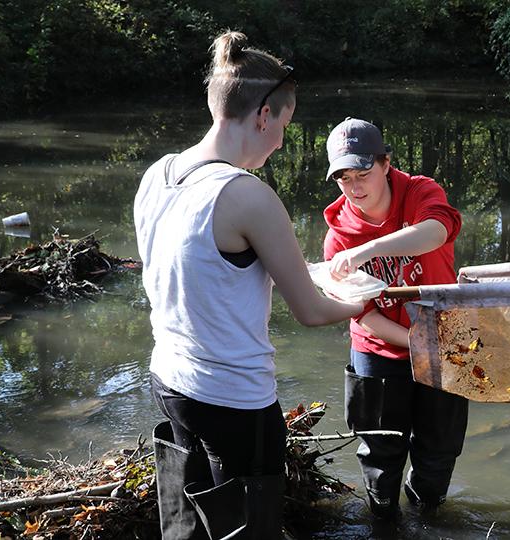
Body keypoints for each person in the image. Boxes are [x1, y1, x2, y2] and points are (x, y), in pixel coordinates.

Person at [133, 32, 364, 540]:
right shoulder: (247, 196)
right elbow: (310, 311)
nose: (281, 140)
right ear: (263, 115)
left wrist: (313, 271)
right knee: (249, 529)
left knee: (187, 521)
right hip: (234, 399)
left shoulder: (159, 174)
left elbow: (205, 270)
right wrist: (362, 301)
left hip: (170, 381)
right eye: (283, 124)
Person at [322, 117, 467, 519]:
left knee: (439, 447)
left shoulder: (421, 191)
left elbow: (436, 232)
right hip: (380, 351)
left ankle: (426, 515)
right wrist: (417, 342)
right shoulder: (337, 234)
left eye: (364, 174)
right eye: (343, 179)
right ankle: (384, 520)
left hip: (444, 342)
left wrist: (367, 251)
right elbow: (363, 315)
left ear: (386, 164)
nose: (354, 188)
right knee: (380, 452)